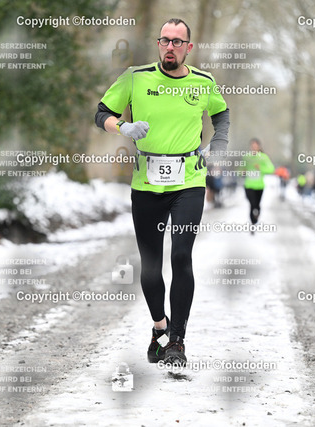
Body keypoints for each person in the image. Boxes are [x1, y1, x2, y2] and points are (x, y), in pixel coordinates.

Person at [94, 18, 230, 366]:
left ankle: (177, 342)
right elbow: (102, 113)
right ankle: (160, 327)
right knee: (151, 266)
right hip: (146, 184)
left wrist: (219, 142)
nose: (170, 47)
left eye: (177, 42)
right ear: (158, 44)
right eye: (165, 40)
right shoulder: (134, 77)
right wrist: (123, 127)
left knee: (181, 256)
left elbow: (221, 114)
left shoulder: (203, 82)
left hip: (189, 181)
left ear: (188, 47)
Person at [242, 138, 274, 229]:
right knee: (252, 204)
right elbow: (240, 169)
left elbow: (271, 169)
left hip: (259, 186)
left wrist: (260, 168)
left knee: (256, 205)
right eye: (252, 146)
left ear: (259, 147)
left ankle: (256, 216)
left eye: (255, 146)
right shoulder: (246, 157)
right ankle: (253, 222)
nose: (254, 148)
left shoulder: (263, 157)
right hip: (248, 185)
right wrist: (242, 172)